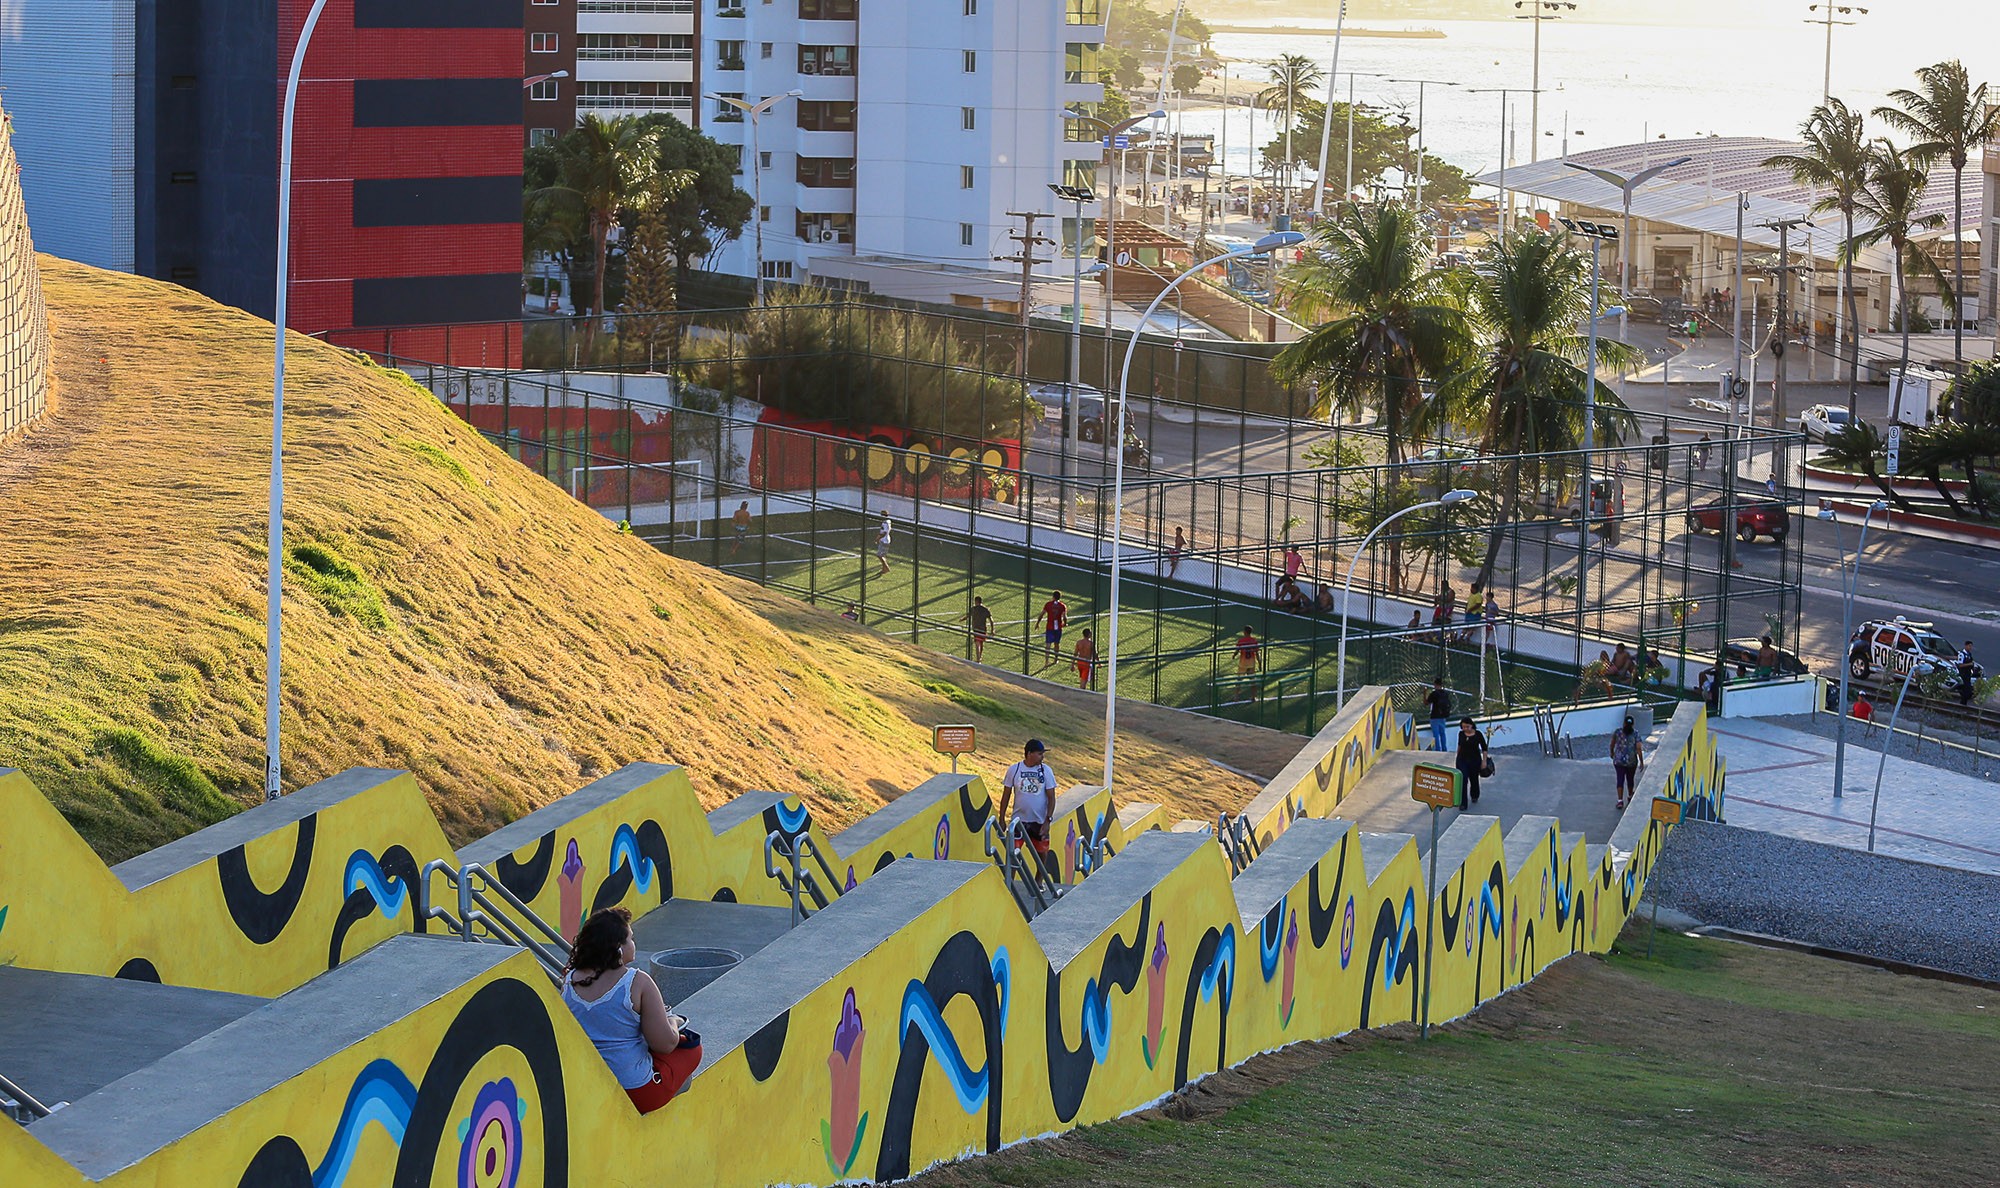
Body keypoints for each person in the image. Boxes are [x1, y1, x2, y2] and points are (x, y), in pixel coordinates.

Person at [561, 907, 702, 1114]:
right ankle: (673, 1084)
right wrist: (673, 1020)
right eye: (631, 939)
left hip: (588, 1085)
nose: (634, 944)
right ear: (618, 948)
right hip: (636, 1091)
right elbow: (664, 1044)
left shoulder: (568, 980)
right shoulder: (637, 981)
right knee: (692, 1048)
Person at [998, 739, 1058, 870]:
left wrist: (1048, 821)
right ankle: (1010, 884)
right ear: (1029, 753)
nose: (1042, 757)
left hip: (1039, 820)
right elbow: (1006, 795)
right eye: (1039, 754)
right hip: (1018, 820)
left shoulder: (1046, 771)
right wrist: (1001, 818)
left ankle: (1039, 881)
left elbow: (1051, 797)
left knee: (1042, 852)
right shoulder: (1014, 769)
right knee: (1013, 852)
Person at [1609, 716, 1642, 810]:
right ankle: (1630, 795)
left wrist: (1612, 752)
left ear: (1624, 723)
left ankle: (1620, 800)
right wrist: (1641, 761)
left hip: (1619, 760)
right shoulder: (1636, 733)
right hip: (1631, 761)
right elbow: (1639, 748)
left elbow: (1612, 743)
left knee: (1620, 779)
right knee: (1630, 779)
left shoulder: (1618, 732)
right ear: (1633, 724)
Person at [1455, 717, 1489, 805]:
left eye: (1467, 727)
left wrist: (1484, 761)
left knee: (1474, 779)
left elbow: (1484, 748)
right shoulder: (1461, 734)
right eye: (1463, 727)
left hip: (1474, 760)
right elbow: (1459, 746)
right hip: (1462, 760)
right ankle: (1463, 803)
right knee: (1463, 779)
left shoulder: (1478, 734)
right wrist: (1457, 757)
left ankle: (1474, 795)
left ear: (1472, 725)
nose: (1465, 729)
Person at [1037, 590, 1069, 671]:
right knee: (1056, 644)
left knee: (1048, 645)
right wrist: (1065, 623)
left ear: (1053, 596)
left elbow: (1042, 614)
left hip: (1050, 627)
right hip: (1058, 627)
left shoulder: (1048, 604)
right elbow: (1065, 617)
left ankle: (1046, 662)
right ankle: (1055, 659)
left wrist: (1038, 623)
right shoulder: (1062, 606)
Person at [962, 595, 993, 662]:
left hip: (976, 628)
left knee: (977, 643)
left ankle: (978, 658)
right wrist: (992, 629)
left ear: (976, 601)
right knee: (980, 643)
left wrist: (962, 619)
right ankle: (979, 657)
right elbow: (991, 620)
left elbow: (967, 616)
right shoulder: (985, 609)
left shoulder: (973, 609)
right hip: (983, 629)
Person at [1235, 627, 1261, 701]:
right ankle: (1253, 696)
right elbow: (1257, 653)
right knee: (1252, 680)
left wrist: (1234, 655)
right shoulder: (1254, 641)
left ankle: (1236, 696)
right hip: (1251, 663)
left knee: (1239, 680)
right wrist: (1259, 663)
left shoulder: (1241, 641)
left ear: (1244, 632)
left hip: (1243, 663)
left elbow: (1237, 650)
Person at [1426, 679, 1452, 752]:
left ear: (1435, 684)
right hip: (1443, 716)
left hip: (1434, 716)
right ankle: (1444, 749)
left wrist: (1424, 693)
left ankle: (1438, 749)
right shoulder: (1445, 693)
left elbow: (1426, 703)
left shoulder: (1434, 694)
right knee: (1442, 734)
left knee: (1436, 735)